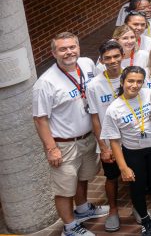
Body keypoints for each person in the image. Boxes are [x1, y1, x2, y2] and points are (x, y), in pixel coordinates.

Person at [33, 32, 109, 236]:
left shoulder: (86, 64)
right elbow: (40, 119)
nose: (69, 52)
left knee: (82, 176)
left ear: (78, 47)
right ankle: (69, 226)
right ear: (53, 53)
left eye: (72, 47)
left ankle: (83, 209)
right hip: (64, 144)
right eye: (63, 49)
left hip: (87, 137)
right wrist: (51, 149)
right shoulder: (46, 83)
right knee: (65, 188)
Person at [101, 66, 151, 236]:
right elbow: (114, 141)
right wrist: (123, 167)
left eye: (139, 81)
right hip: (133, 152)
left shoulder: (150, 94)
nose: (135, 85)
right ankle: (144, 219)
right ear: (122, 82)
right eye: (130, 81)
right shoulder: (114, 109)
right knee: (138, 186)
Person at [86, 40, 125, 233]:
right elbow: (95, 118)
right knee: (111, 177)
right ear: (101, 60)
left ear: (122, 56)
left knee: (135, 175)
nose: (112, 61)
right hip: (110, 142)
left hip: (132, 139)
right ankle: (113, 210)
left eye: (116, 56)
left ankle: (137, 208)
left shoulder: (131, 76)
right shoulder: (94, 85)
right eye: (107, 58)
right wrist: (103, 147)